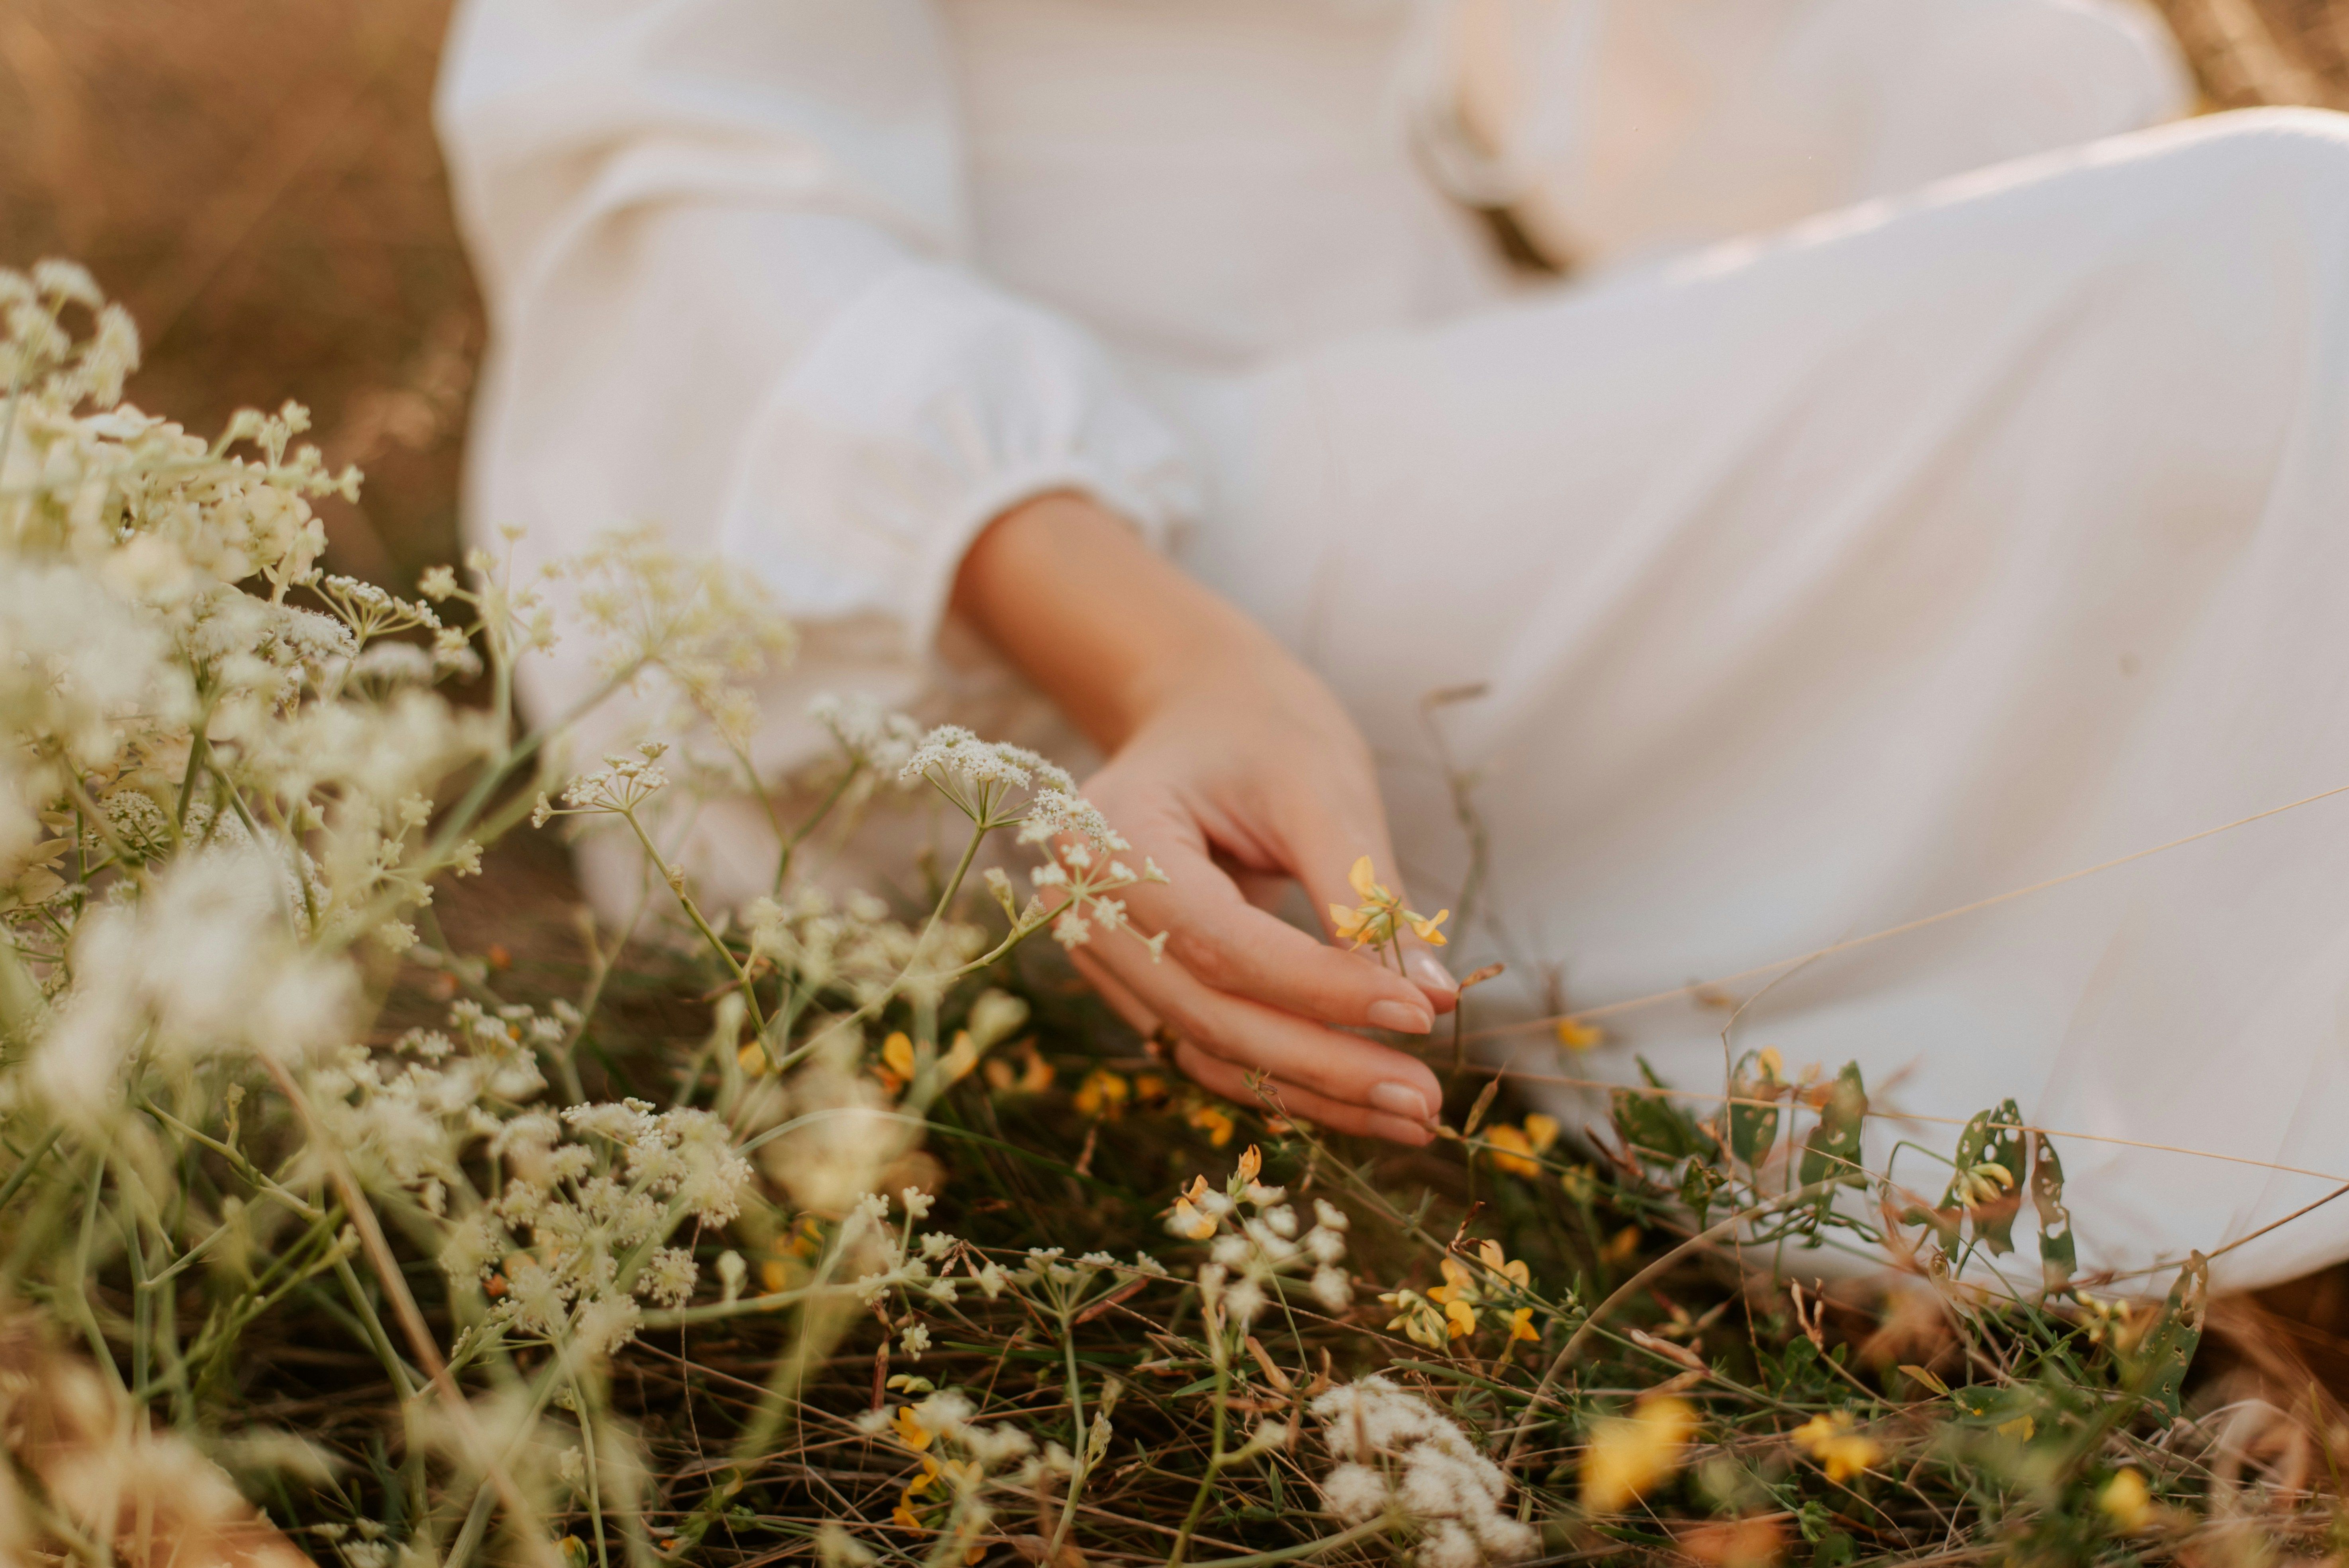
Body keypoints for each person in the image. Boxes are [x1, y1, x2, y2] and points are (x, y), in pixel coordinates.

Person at [437, 0, 2349, 1288]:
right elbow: (677, 207)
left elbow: (1798, 115)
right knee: (2288, 247)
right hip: (989, 606)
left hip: (1432, 413)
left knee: (2247, 268)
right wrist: (1164, 661)